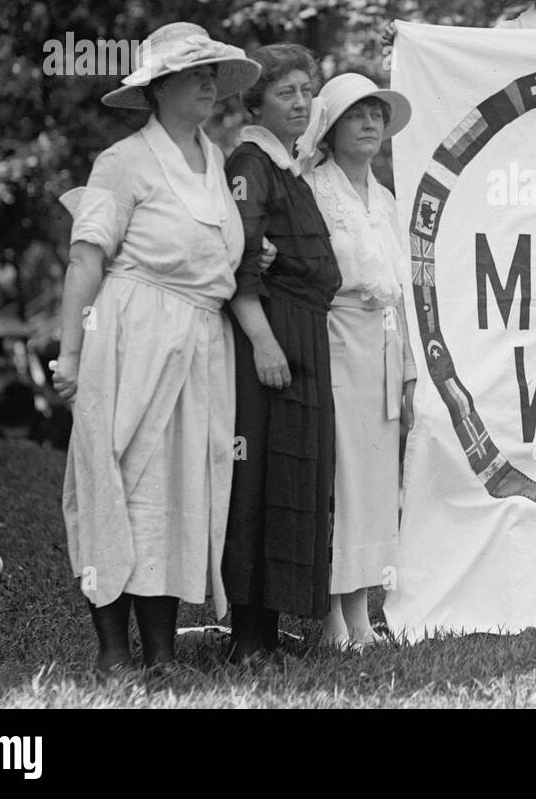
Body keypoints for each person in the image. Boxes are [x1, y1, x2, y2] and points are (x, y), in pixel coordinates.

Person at [53, 22, 260, 678]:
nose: (208, 85)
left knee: (176, 492)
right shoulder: (123, 162)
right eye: (195, 74)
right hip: (129, 337)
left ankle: (163, 656)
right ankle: (115, 656)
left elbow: (218, 260)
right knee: (117, 481)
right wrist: (70, 355)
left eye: (212, 75)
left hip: (199, 346)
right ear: (160, 87)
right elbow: (86, 260)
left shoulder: (216, 162)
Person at [222, 43, 343, 666]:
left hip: (305, 334)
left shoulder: (288, 165)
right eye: (286, 93)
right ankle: (245, 638)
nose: (300, 103)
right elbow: (238, 262)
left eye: (306, 91)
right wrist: (265, 343)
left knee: (293, 476)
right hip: (270, 338)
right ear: (256, 102)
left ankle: (269, 634)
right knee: (258, 479)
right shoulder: (250, 161)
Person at [297, 73, 416, 647]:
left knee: (372, 483)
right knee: (336, 481)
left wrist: (411, 370)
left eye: (377, 115)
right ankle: (329, 619)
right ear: (333, 127)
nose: (370, 125)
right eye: (356, 115)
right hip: (335, 342)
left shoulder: (387, 200)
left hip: (384, 349)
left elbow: (402, 290)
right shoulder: (313, 191)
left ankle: (361, 614)